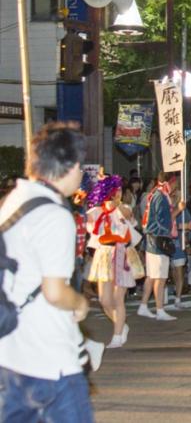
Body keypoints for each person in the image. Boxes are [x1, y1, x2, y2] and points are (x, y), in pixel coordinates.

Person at [0, 123, 93, 422]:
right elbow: (54, 291)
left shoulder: (13, 203)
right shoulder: (54, 215)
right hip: (51, 361)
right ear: (72, 166)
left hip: (12, 356)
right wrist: (79, 303)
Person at [85, 174, 144, 348]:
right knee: (104, 300)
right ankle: (121, 324)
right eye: (113, 190)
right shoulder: (95, 212)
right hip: (103, 254)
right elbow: (89, 225)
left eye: (118, 190)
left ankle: (117, 335)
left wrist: (116, 204)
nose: (117, 193)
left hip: (121, 253)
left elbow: (128, 217)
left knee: (118, 297)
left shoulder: (123, 208)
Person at [138, 174, 178, 321]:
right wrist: (177, 211)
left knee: (152, 276)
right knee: (159, 278)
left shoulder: (157, 193)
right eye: (175, 183)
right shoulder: (161, 196)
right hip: (158, 240)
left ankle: (143, 305)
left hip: (152, 240)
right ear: (170, 182)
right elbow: (160, 222)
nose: (176, 186)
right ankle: (160, 310)